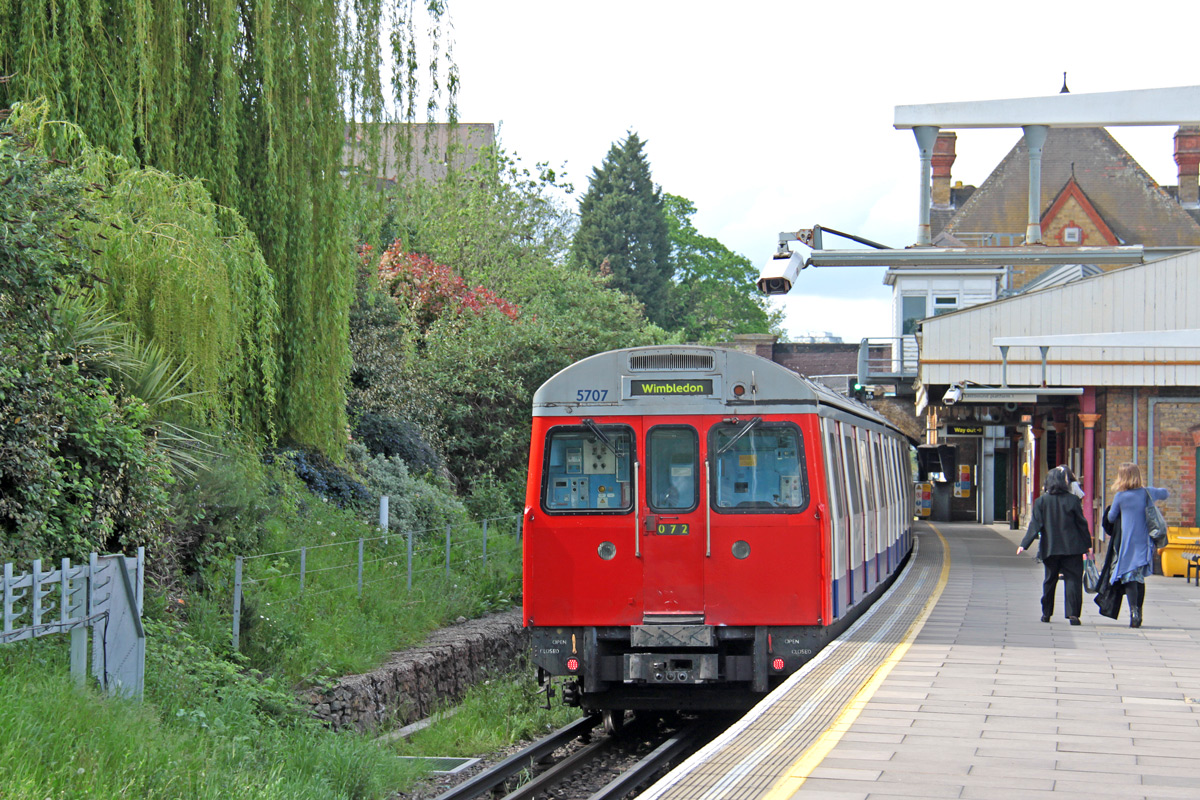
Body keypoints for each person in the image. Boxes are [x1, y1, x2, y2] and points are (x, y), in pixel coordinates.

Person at [1017, 466, 1094, 624]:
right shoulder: (1073, 500)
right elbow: (1082, 524)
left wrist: (1024, 544)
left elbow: (1035, 524)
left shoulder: (1041, 502)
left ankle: (1046, 613)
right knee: (1073, 580)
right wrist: (1088, 544)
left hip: (1051, 548)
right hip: (1073, 548)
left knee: (1049, 580)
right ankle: (1073, 615)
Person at [1106, 462, 1170, 628]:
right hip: (1144, 542)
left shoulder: (1120, 497)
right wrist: (1155, 492)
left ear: (1122, 478)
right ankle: (1138, 612)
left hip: (1128, 543)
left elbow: (1111, 518)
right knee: (1138, 577)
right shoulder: (1147, 493)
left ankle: (1134, 613)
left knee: (1129, 577)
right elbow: (1166, 493)